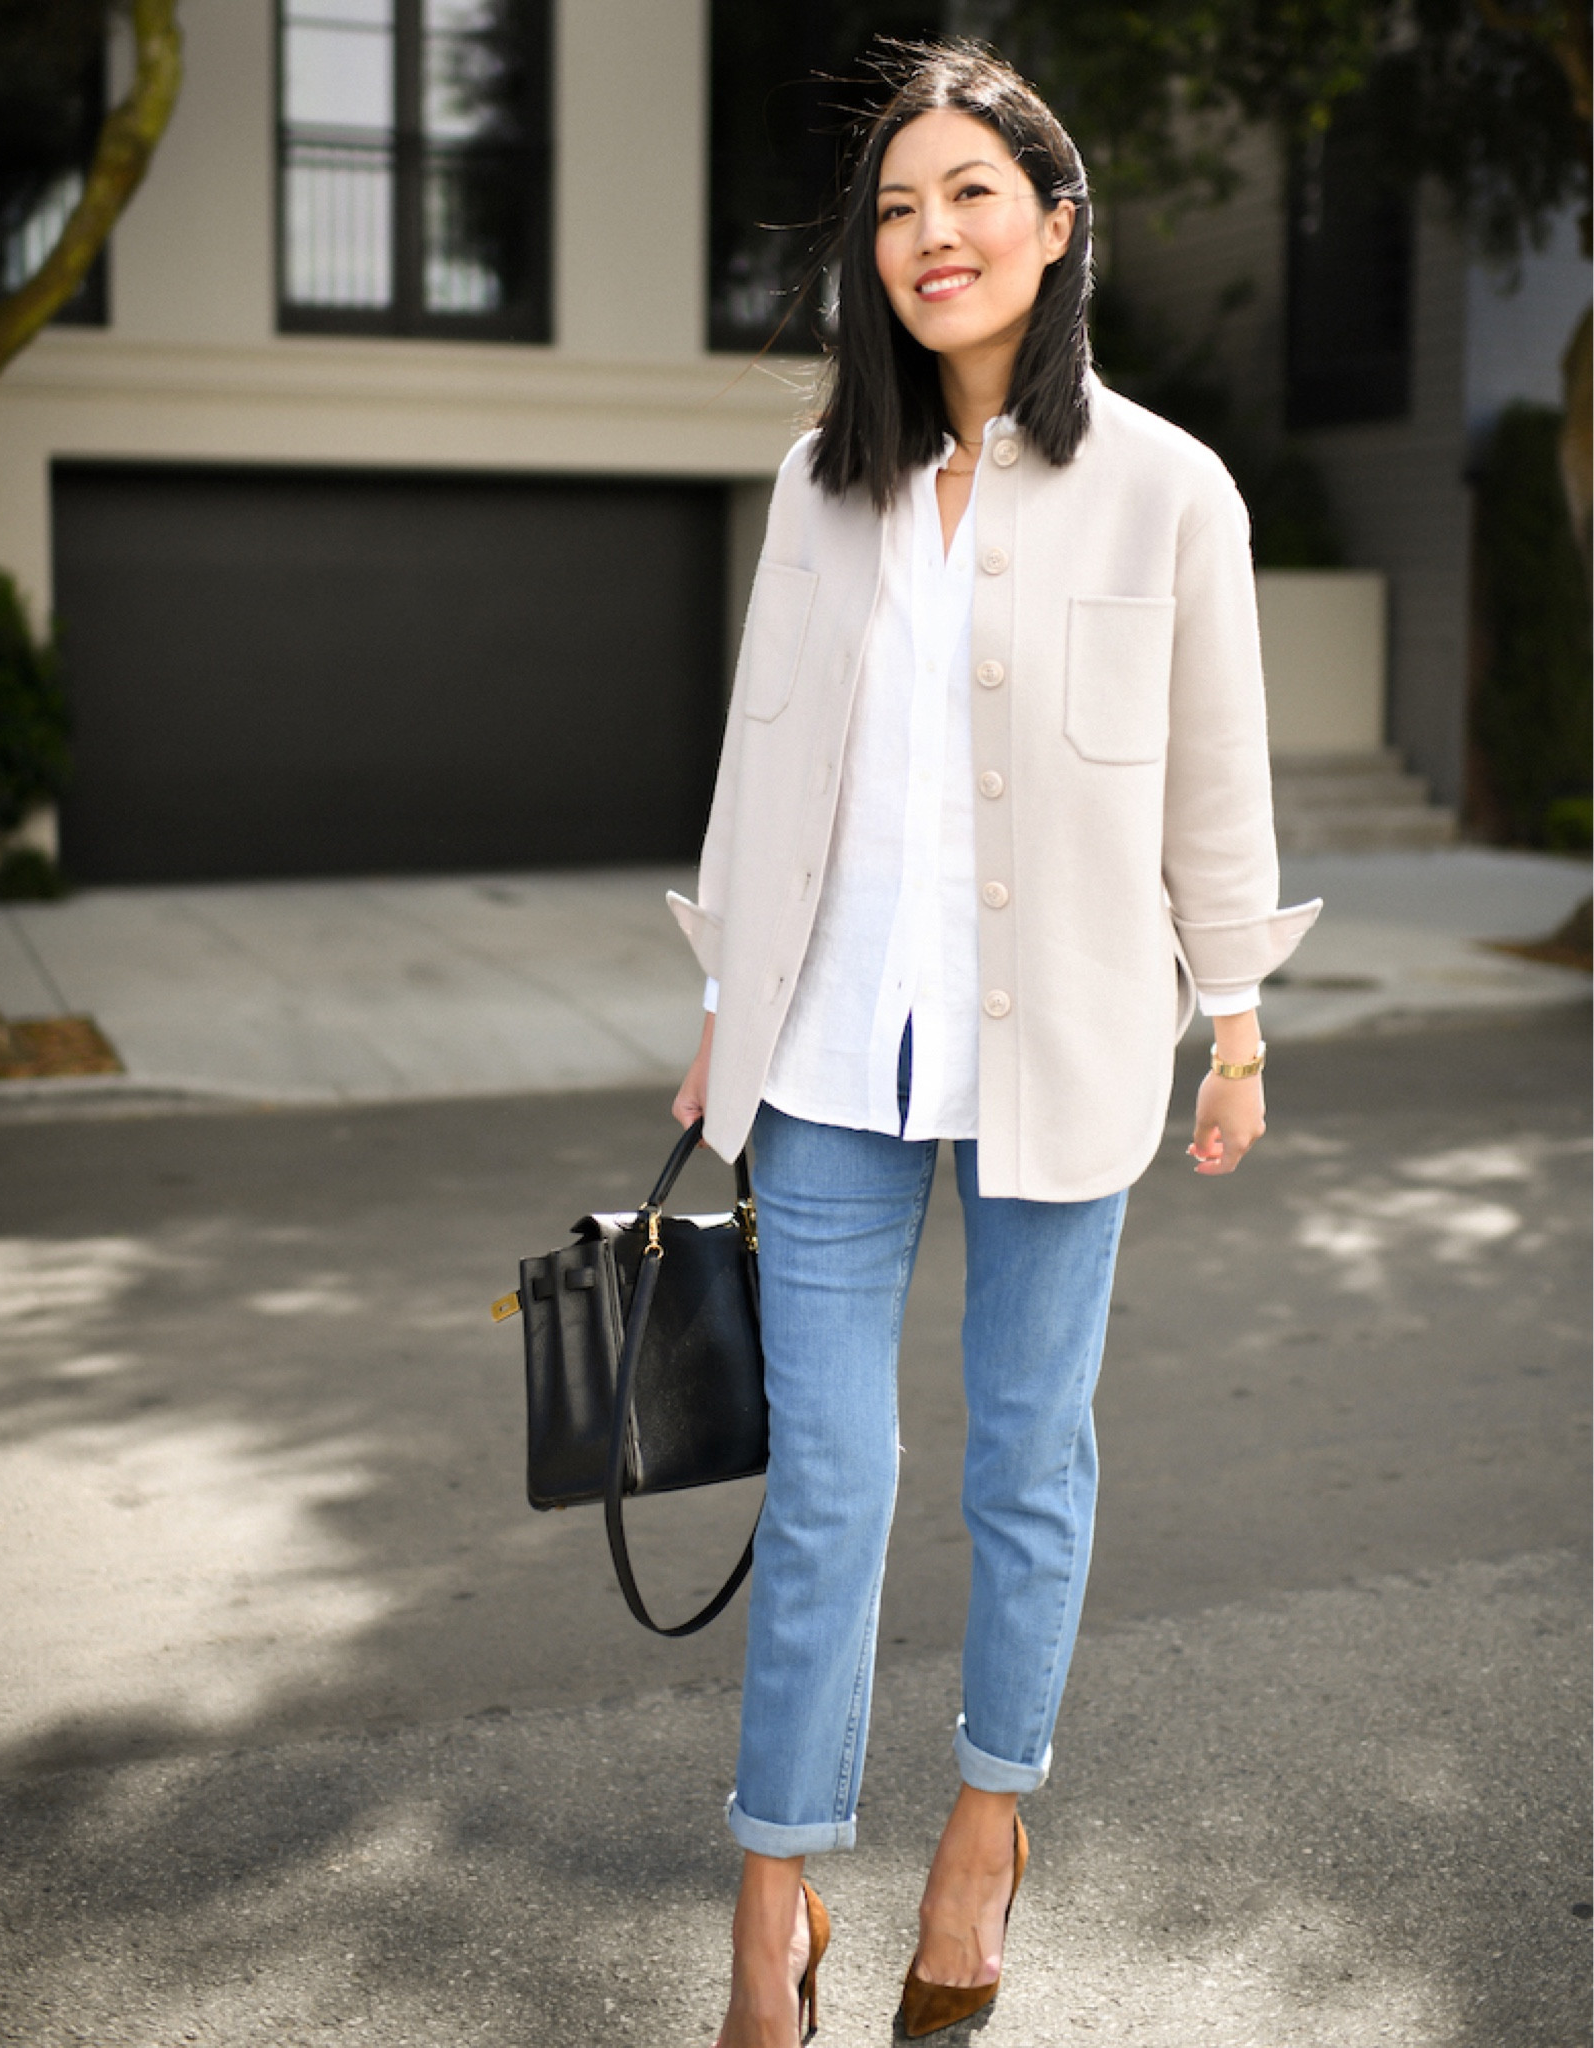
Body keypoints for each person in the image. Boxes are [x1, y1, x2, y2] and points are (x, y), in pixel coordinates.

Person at [666, 41, 1322, 2047]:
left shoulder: (1166, 489)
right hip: (832, 1062)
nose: (928, 235)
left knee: (1027, 1461)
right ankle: (770, 1891)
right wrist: (719, 1019)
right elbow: (758, 764)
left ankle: (983, 1823)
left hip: (1066, 1057)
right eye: (891, 206)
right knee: (833, 1486)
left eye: (968, 194)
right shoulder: (815, 486)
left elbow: (1212, 781)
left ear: (1054, 225)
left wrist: (1236, 1029)